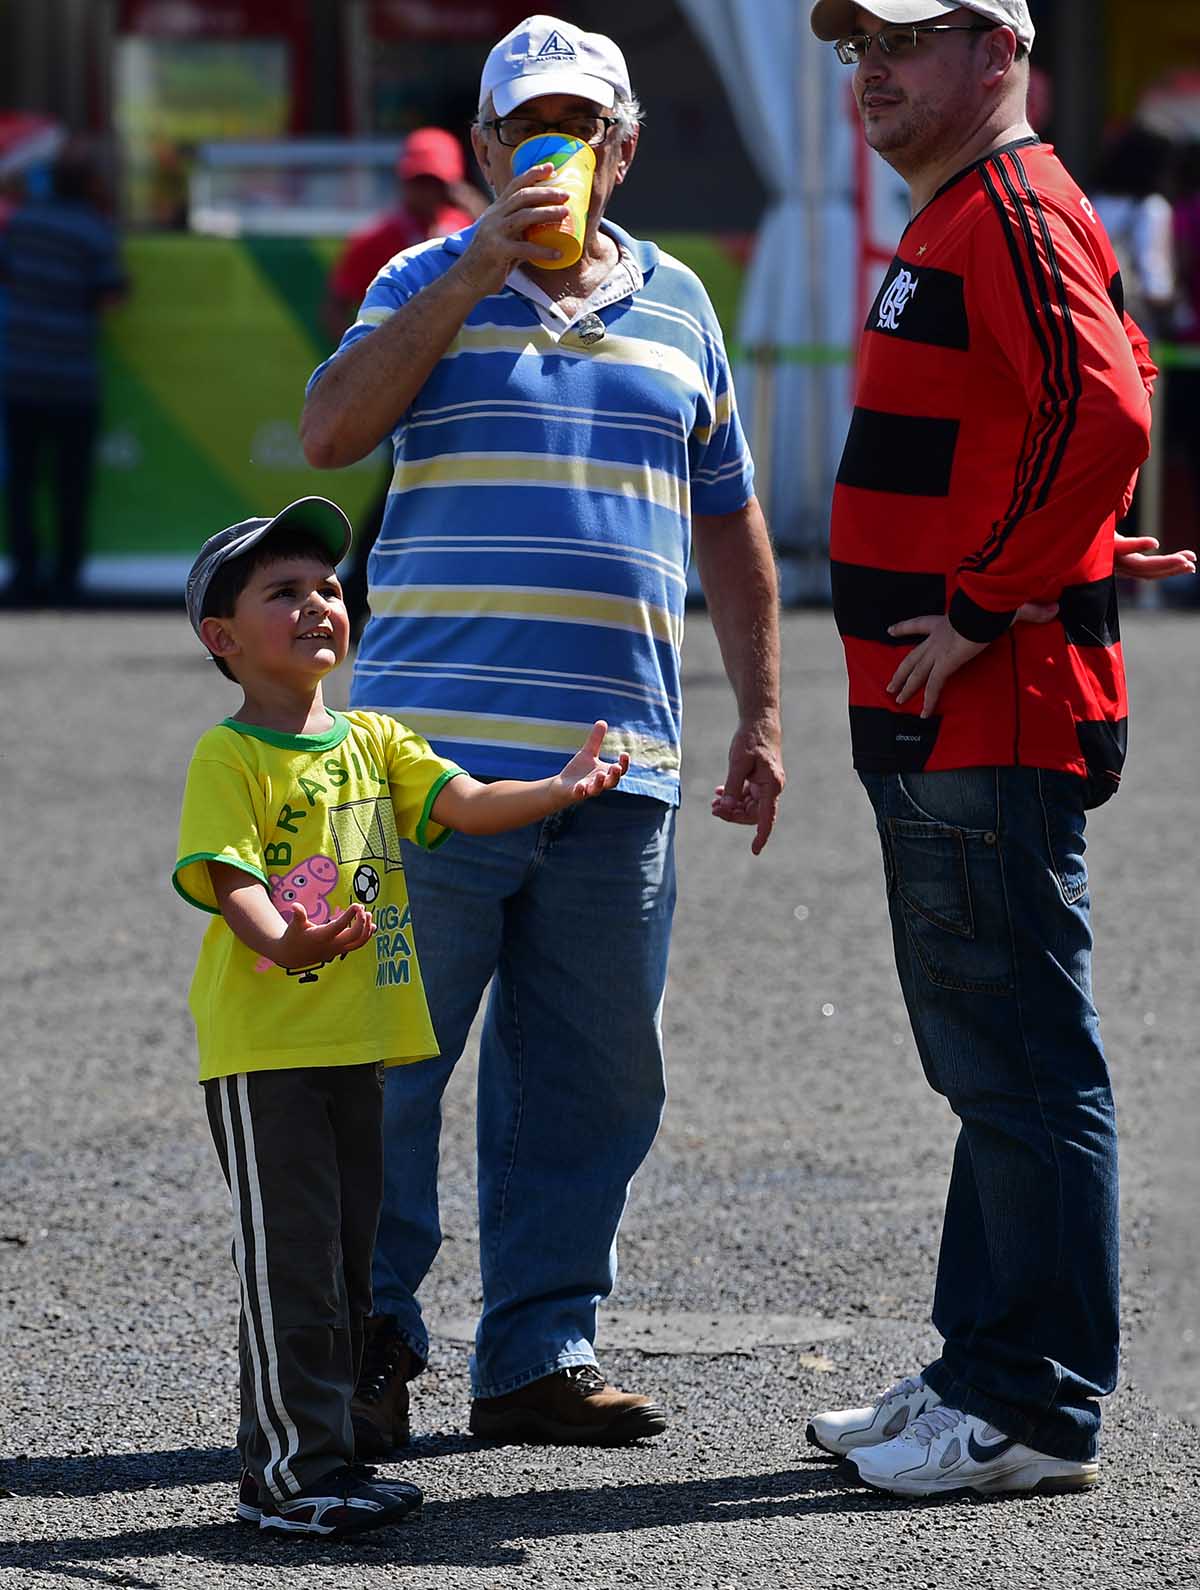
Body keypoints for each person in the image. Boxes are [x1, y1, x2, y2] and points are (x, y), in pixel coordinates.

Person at [300, 14, 785, 1449]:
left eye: (582, 128)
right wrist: (474, 266)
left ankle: (535, 1352)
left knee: (590, 1076)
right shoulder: (420, 274)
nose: (552, 152)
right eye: (526, 129)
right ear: (492, 148)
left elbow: (734, 522)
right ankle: (364, 1343)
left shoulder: (684, 303)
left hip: (620, 767)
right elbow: (330, 432)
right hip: (425, 769)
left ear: (623, 153)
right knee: (383, 1070)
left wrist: (761, 712)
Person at [804, 0, 1195, 1500]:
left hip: (988, 706)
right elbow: (1113, 392)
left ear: (1001, 53)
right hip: (955, 706)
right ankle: (982, 1369)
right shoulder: (988, 208)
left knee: (1024, 1067)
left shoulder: (1011, 204)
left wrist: (994, 591)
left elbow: (1104, 406)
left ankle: (1030, 1403)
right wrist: (1071, 552)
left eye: (908, 38)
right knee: (997, 1066)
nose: (875, 69)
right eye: (858, 49)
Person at [173, 495, 631, 1533]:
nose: (318, 605)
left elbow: (463, 803)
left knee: (345, 1269)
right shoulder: (232, 755)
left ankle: (327, 1459)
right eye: (282, 593)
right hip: (268, 1054)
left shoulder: (374, 737)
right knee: (290, 1264)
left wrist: (555, 790)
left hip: (360, 1048)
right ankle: (288, 1478)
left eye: (328, 587)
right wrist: (280, 940)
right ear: (223, 639)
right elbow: (229, 875)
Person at [326, 128, 485, 639]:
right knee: (402, 488)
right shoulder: (376, 239)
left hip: (459, 387)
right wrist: (373, 360)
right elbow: (335, 308)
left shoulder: (471, 228)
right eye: (419, 180)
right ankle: (354, 601)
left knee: (413, 489)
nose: (427, 191)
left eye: (437, 181)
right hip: (398, 391)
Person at [0, 144, 126, 607]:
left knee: (24, 483)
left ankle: (24, 576)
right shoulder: (95, 231)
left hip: (21, 371)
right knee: (70, 484)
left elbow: (7, 274)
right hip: (73, 377)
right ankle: (66, 580)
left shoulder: (23, 223)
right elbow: (110, 297)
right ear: (90, 184)